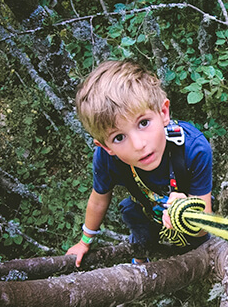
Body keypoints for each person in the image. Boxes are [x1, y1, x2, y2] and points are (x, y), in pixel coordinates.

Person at [66, 60, 213, 266]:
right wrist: (84, 242)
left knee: (200, 249)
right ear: (105, 146)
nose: (138, 145)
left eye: (143, 123)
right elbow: (99, 199)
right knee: (135, 220)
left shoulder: (193, 149)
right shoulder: (106, 158)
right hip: (145, 210)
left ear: (163, 113)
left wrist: (188, 215)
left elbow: (204, 227)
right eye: (119, 137)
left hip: (186, 207)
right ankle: (141, 254)